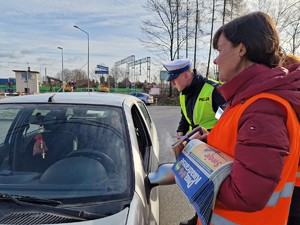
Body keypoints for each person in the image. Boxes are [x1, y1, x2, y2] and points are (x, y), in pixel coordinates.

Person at [176, 12, 300, 225]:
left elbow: (246, 193)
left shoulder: (263, 108)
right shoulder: (248, 100)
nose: (215, 59)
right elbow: (245, 150)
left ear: (241, 49)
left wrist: (196, 173)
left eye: (220, 50)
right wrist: (207, 145)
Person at [163, 58, 226, 225]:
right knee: (197, 189)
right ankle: (198, 218)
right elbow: (185, 115)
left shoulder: (214, 90)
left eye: (174, 80)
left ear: (185, 75)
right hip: (196, 148)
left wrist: (208, 135)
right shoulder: (184, 93)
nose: (173, 84)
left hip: (216, 151)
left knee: (213, 193)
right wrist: (180, 132)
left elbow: (227, 119)